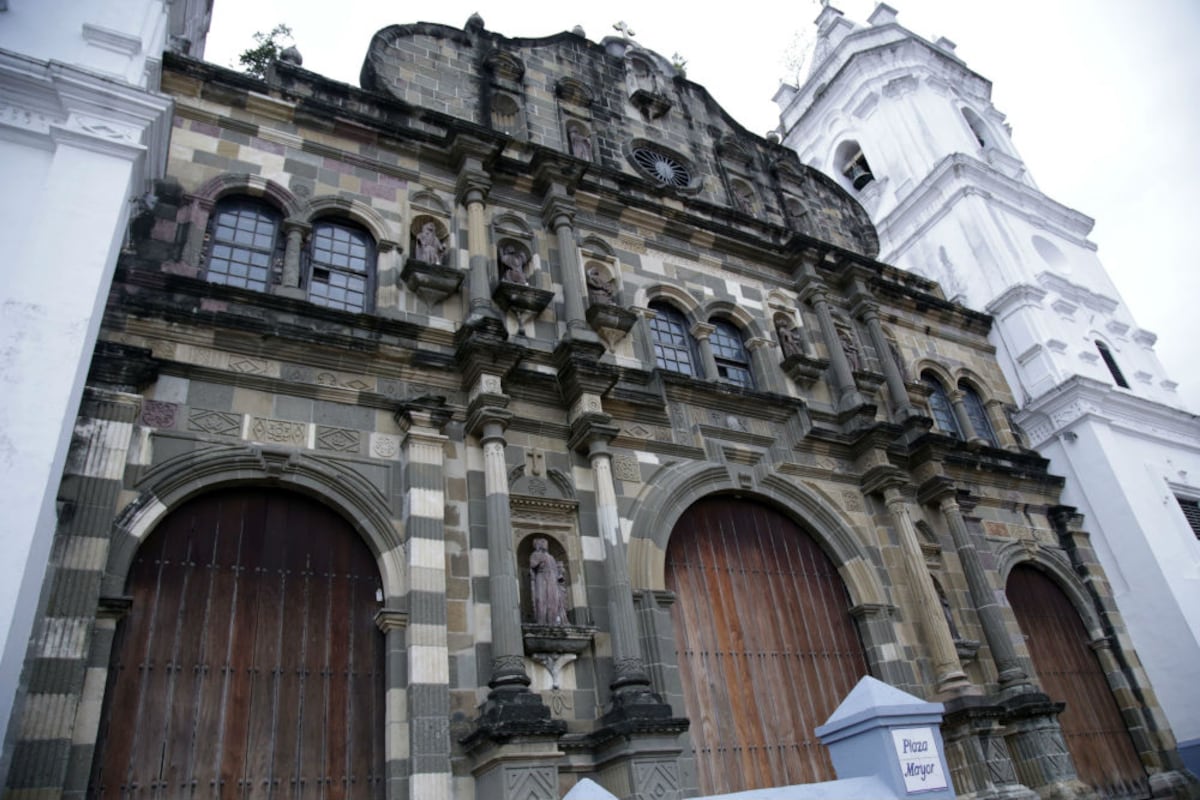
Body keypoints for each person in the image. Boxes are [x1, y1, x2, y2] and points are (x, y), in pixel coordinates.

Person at [529, 538, 568, 625]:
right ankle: (541, 620)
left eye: (546, 543)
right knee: (540, 599)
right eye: (543, 542)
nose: (545, 545)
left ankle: (552, 620)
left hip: (552, 579)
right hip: (541, 577)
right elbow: (532, 565)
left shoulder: (551, 557)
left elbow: (556, 570)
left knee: (553, 599)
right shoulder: (535, 554)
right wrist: (539, 562)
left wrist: (559, 574)